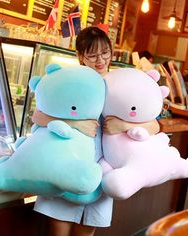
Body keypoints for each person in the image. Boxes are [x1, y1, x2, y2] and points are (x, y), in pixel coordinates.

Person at [32, 26, 160, 236]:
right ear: (80, 56)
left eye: (105, 53)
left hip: (103, 173)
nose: (100, 60)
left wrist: (124, 126)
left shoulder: (122, 84)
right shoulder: (70, 80)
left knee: (86, 231)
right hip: (67, 165)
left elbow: (154, 125)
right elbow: (38, 116)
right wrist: (76, 124)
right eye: (92, 55)